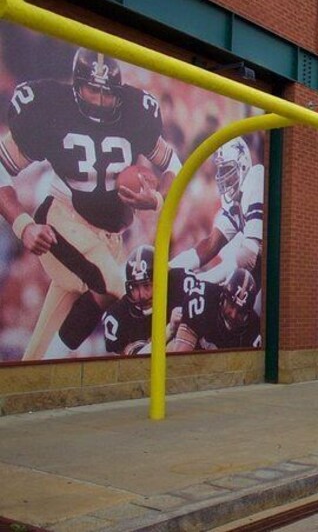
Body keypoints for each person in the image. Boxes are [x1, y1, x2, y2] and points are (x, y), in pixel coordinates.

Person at [0, 47, 181, 360]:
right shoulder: (51, 108)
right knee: (121, 287)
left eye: (107, 94)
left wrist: (156, 197)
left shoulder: (136, 113)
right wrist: (23, 224)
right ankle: (154, 354)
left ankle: (39, 369)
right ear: (76, 86)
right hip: (63, 221)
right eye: (91, 90)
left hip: (108, 238)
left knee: (45, 342)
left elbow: (173, 166)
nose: (99, 100)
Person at [169, 136, 263, 284]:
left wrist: (202, 280)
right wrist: (169, 269)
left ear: (243, 165)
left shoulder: (256, 178)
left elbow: (248, 254)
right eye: (220, 170)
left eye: (227, 169)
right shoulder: (235, 202)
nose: (223, 178)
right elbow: (210, 245)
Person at [101, 245, 198, 355]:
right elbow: (136, 362)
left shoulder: (181, 285)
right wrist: (169, 330)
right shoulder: (118, 315)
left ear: (162, 281)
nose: (142, 295)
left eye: (147, 285)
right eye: (135, 287)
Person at [167, 268, 261, 352]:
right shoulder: (203, 299)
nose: (233, 314)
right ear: (223, 296)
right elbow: (181, 359)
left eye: (241, 311)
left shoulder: (254, 328)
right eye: (231, 305)